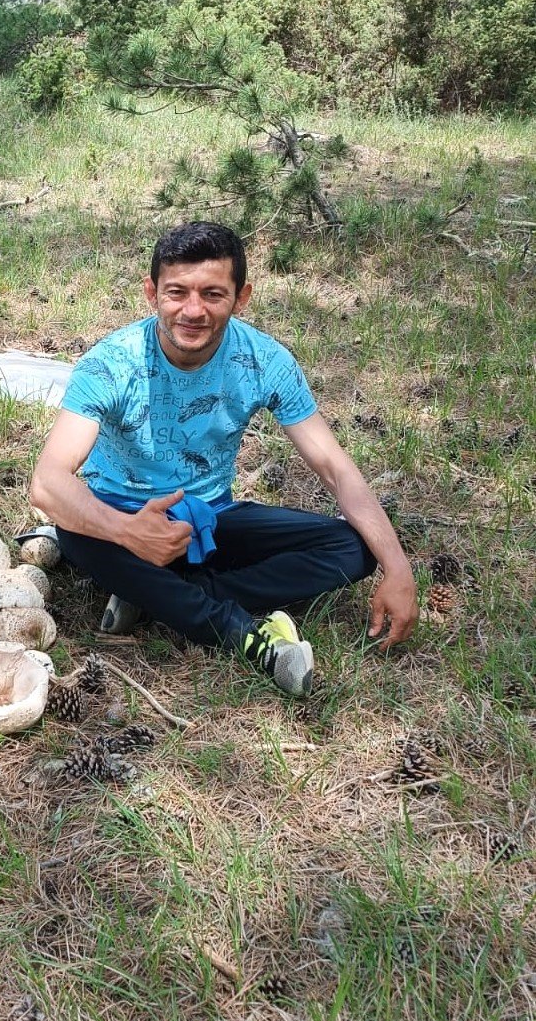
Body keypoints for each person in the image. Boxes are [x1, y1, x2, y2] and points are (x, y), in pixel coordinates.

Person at [28, 221, 418, 696]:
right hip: (118, 514)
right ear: (152, 293)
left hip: (209, 517)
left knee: (352, 548)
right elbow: (48, 482)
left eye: (213, 294)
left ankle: (162, 595)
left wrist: (397, 567)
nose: (193, 311)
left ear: (242, 296)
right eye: (177, 292)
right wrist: (127, 531)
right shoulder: (111, 363)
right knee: (77, 531)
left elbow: (335, 469)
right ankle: (241, 633)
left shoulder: (264, 360)